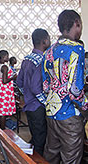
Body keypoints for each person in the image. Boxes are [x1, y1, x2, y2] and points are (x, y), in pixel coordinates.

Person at [42, 10, 88, 163]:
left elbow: (46, 86)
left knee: (52, 154)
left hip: (51, 112)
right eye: (80, 26)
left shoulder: (49, 51)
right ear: (77, 24)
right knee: (71, 159)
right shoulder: (76, 48)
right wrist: (85, 106)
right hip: (69, 115)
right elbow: (75, 90)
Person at [16, 28, 51, 156]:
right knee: (40, 142)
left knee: (35, 136)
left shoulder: (27, 59)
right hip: (38, 107)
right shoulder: (41, 60)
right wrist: (46, 102)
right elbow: (36, 88)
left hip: (29, 106)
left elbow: (19, 83)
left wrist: (27, 95)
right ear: (45, 41)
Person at [0, 50, 17, 130]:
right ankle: (3, 129)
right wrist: (13, 78)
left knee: (3, 110)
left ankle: (2, 128)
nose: (8, 58)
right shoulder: (4, 67)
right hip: (5, 90)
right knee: (3, 112)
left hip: (3, 89)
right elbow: (4, 81)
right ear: (4, 56)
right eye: (7, 56)